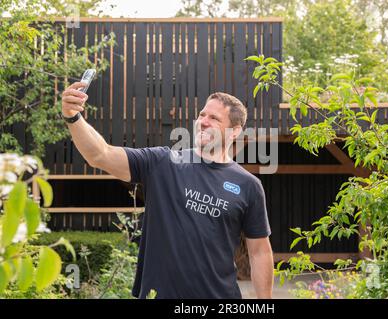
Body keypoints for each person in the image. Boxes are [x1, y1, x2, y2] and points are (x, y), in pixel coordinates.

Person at [61, 81, 274, 299]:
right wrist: (73, 117)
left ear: (234, 131)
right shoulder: (163, 162)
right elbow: (100, 154)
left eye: (214, 118)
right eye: (202, 115)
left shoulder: (248, 185)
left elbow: (259, 252)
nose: (203, 122)